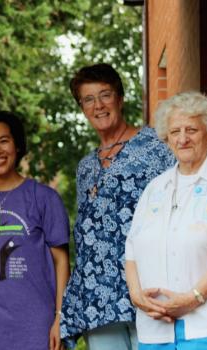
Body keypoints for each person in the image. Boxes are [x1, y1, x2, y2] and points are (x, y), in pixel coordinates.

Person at [60, 63, 175, 350]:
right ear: (82, 108)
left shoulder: (157, 144)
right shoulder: (85, 166)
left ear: (120, 98)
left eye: (105, 95)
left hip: (149, 287)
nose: (98, 105)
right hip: (98, 299)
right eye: (88, 99)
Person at [125, 91, 207, 349]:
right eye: (174, 132)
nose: (182, 139)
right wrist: (137, 296)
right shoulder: (154, 188)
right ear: (166, 138)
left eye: (191, 130)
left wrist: (192, 298)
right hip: (155, 329)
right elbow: (132, 250)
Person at [0, 111, 70, 350]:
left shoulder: (43, 198)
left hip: (38, 330)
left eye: (4, 140)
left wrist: (61, 318)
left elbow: (61, 263)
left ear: (17, 145)